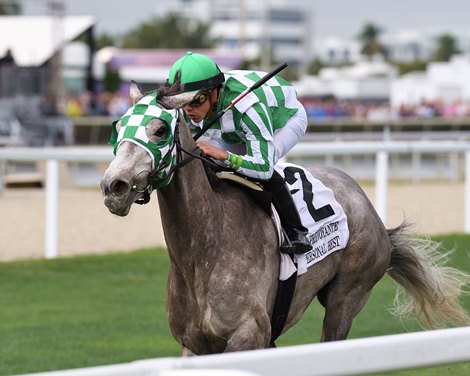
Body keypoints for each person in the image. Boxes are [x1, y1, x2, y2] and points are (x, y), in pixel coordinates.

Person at [165, 52, 310, 253]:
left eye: (196, 100)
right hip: (236, 127)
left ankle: (296, 231)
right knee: (205, 158)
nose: (188, 109)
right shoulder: (192, 108)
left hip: (284, 120)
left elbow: (263, 168)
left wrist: (224, 156)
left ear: (214, 92)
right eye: (182, 102)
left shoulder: (247, 108)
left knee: (260, 171)